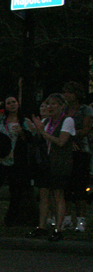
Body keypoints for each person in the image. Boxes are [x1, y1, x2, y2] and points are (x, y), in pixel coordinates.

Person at [28, 93, 75, 241]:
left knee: (57, 194)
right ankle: (41, 226)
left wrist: (42, 131)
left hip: (59, 163)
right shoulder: (46, 121)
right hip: (45, 163)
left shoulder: (67, 121)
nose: (50, 107)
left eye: (54, 104)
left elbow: (61, 141)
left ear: (62, 106)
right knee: (43, 194)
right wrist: (37, 130)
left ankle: (58, 228)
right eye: (49, 104)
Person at [0, 96, 35, 226]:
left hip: (17, 160)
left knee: (16, 191)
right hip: (2, 159)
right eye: (8, 103)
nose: (12, 105)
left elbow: (31, 139)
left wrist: (22, 133)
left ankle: (12, 218)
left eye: (14, 102)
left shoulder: (24, 121)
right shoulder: (0, 120)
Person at [61, 81, 91, 232]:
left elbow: (85, 129)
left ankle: (80, 220)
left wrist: (70, 135)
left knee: (80, 186)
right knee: (66, 185)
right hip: (66, 150)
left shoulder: (86, 109)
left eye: (69, 92)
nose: (66, 95)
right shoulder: (63, 109)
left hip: (81, 150)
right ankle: (66, 218)